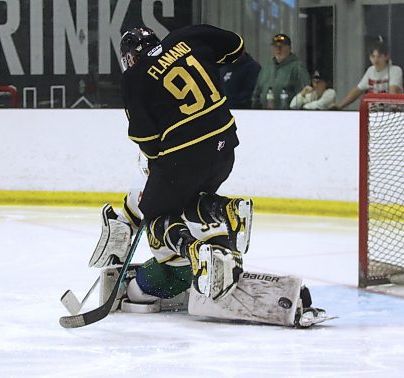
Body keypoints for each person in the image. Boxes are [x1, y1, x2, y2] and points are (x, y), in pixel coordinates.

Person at [86, 25, 327, 328]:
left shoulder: (134, 77)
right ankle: (226, 209)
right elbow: (236, 46)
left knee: (156, 215)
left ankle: (194, 251)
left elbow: (147, 142)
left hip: (185, 153)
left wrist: (158, 168)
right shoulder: (186, 37)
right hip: (225, 144)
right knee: (191, 199)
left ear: (130, 57)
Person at [329, 41, 403, 110]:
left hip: (391, 114)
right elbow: (357, 90)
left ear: (387, 57)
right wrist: (340, 106)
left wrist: (392, 108)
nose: (376, 60)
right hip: (373, 113)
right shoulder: (370, 70)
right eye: (373, 56)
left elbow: (393, 91)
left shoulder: (395, 70)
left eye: (379, 56)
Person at [251, 33, 310, 109]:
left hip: (288, 116)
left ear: (289, 48)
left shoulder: (298, 68)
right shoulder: (266, 68)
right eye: (275, 46)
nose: (278, 49)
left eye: (281, 46)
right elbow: (257, 93)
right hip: (265, 114)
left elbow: (305, 95)